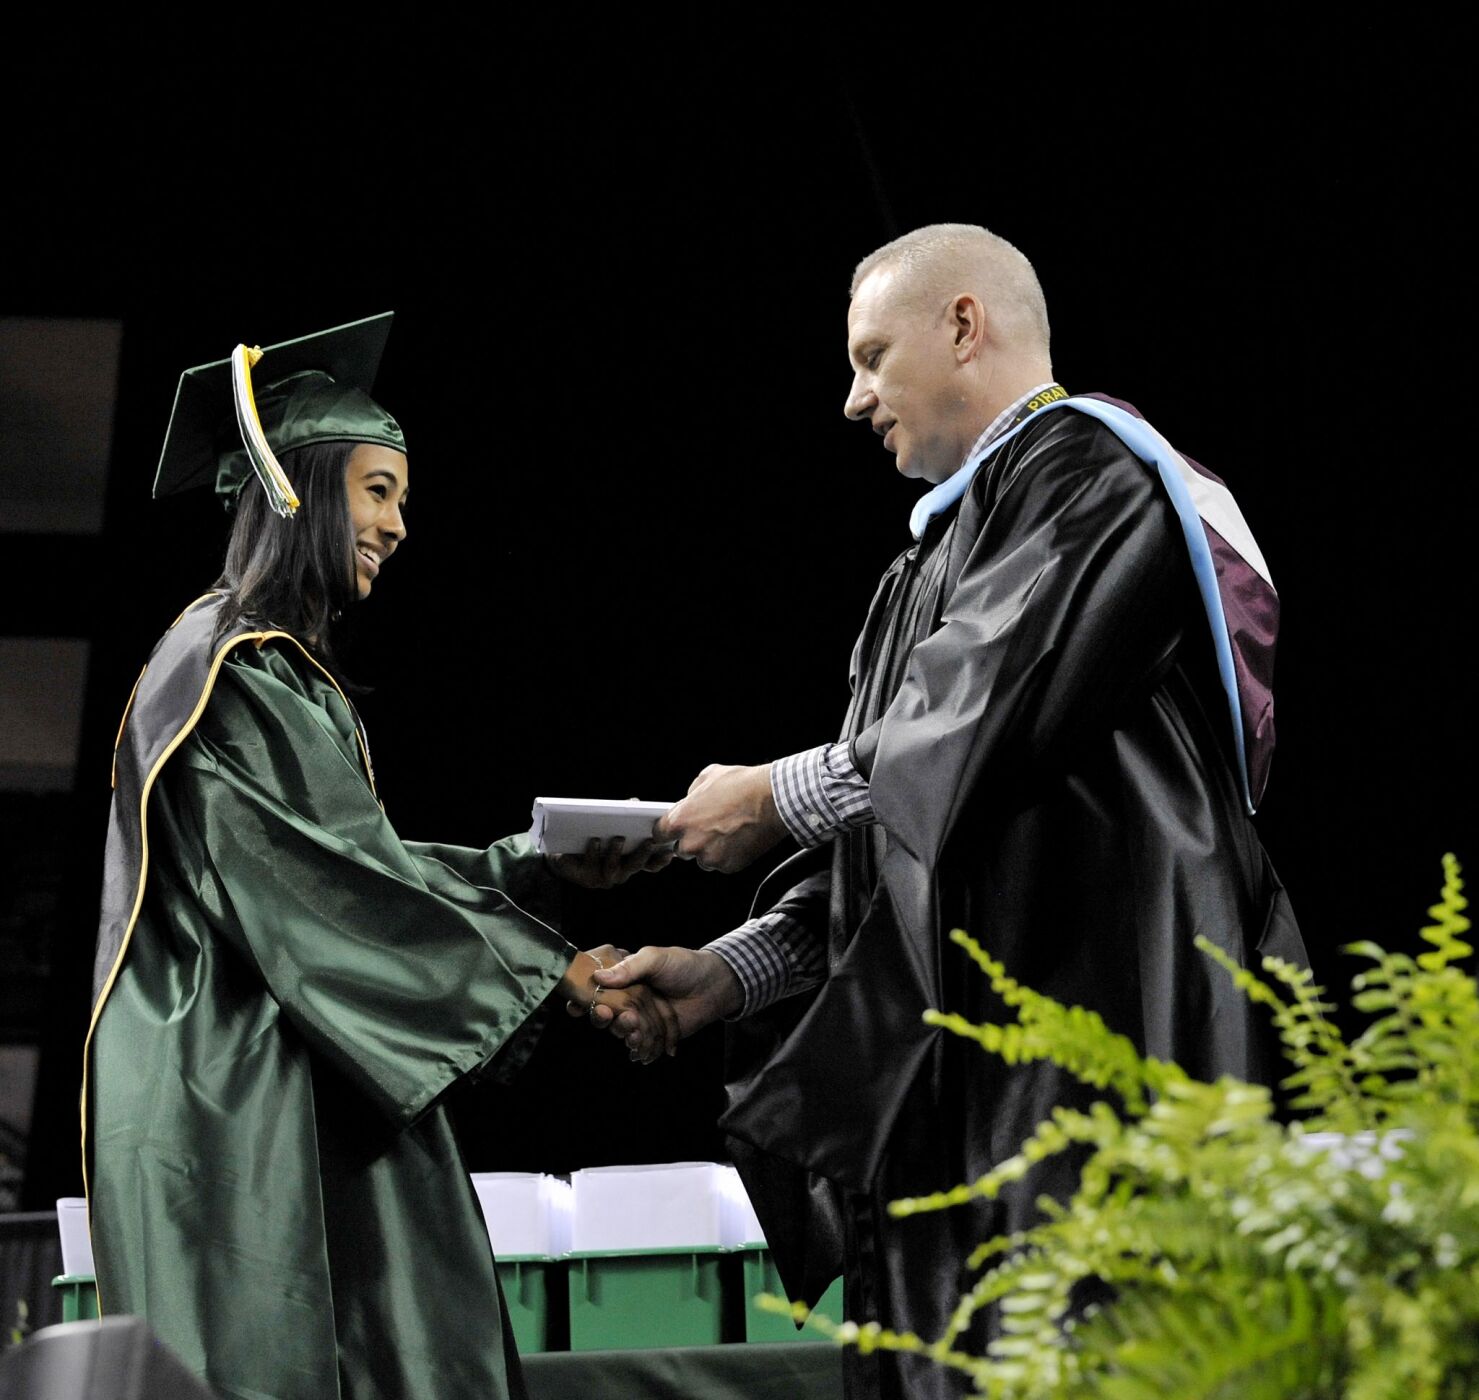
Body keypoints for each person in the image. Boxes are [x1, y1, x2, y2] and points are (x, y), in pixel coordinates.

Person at [595, 226, 1308, 1399]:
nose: (853, 398)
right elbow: (896, 835)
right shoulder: (918, 570)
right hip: (955, 1101)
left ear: (964, 326)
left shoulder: (1099, 473)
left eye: (873, 357)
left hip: (1097, 1058)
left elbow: (973, 720)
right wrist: (729, 971)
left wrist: (773, 794)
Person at [82, 314, 672, 1400]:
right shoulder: (227, 673)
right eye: (378, 489)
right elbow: (331, 890)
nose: (400, 523)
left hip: (295, 1068)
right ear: (299, 487)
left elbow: (356, 863)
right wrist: (554, 970)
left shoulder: (267, 671)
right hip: (240, 1101)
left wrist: (532, 865)